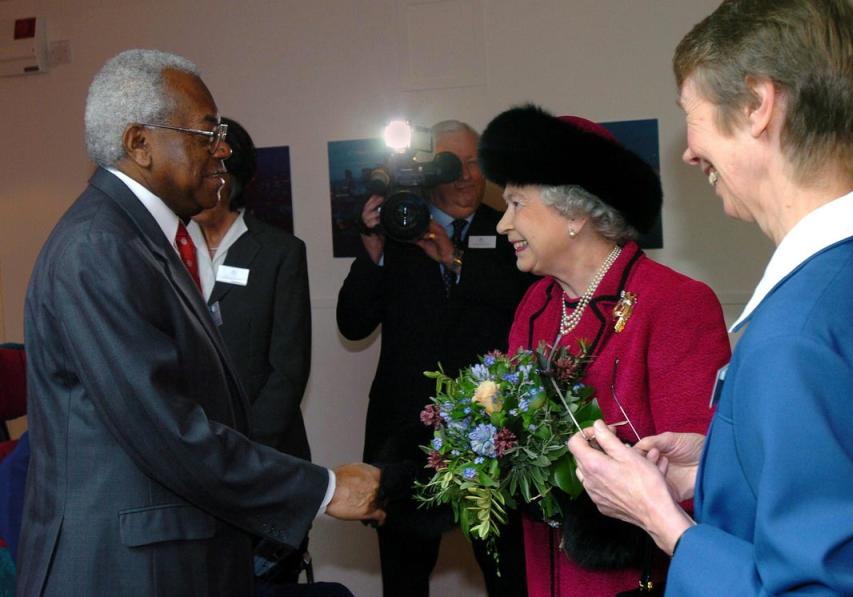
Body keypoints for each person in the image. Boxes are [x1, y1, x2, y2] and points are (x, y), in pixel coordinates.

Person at [569, 1, 853, 595]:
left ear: (757, 105)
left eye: (690, 115)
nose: (689, 153)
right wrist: (717, 465)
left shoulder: (798, 334)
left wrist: (663, 521)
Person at [18, 49, 383, 597]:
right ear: (140, 143)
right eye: (206, 132)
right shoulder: (99, 247)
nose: (224, 149)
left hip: (170, 553)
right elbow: (166, 429)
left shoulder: (140, 239)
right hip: (124, 569)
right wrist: (325, 489)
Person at [478, 104, 731, 596]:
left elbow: (707, 478)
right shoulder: (536, 305)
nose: (503, 225)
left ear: (573, 212)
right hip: (545, 571)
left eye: (516, 204)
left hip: (638, 578)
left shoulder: (675, 303)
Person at [336, 120, 534, 596]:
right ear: (427, 171)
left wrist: (456, 261)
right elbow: (353, 324)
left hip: (491, 432)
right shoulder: (396, 232)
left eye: (475, 163)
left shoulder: (510, 230)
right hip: (406, 435)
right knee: (404, 578)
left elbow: (526, 307)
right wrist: (373, 252)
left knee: (508, 573)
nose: (467, 176)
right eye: (453, 164)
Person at [188, 116, 314, 585]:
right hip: (191, 459)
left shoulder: (279, 251)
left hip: (266, 455)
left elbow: (289, 369)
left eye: (214, 176)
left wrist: (243, 455)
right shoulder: (166, 248)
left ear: (233, 180)